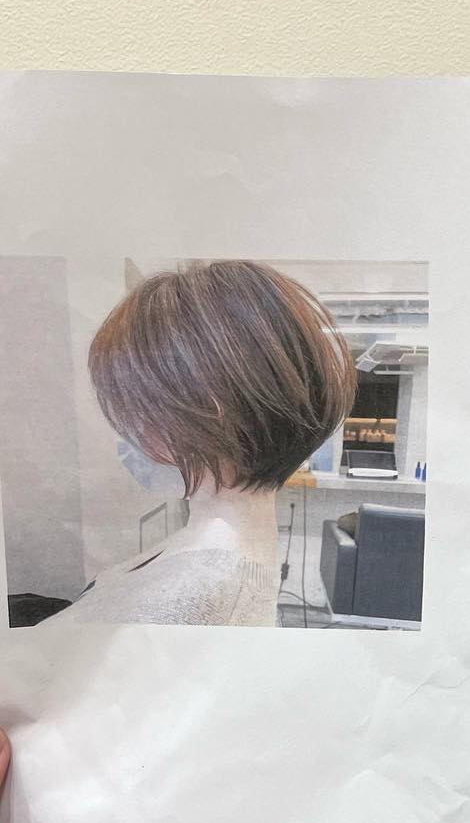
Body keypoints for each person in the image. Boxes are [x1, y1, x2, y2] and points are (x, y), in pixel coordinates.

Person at [40, 260, 356, 627]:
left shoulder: (187, 602)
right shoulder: (216, 551)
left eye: (136, 410)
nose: (130, 431)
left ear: (208, 412)